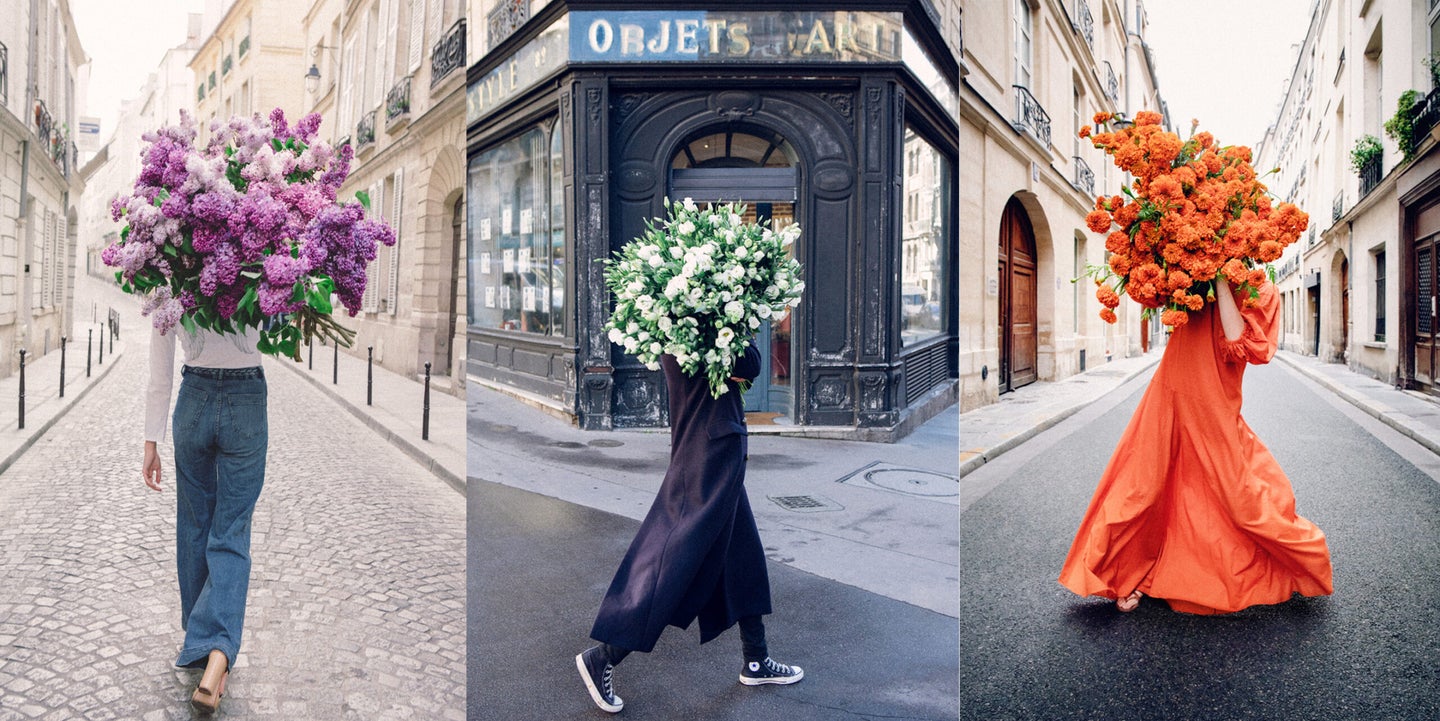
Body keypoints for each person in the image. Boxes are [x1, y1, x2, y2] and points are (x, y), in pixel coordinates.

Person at [1059, 276, 1333, 614]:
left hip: (1214, 397)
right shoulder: (1192, 278)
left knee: (1235, 493)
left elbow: (1238, 342)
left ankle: (1263, 560)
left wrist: (1220, 278)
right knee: (1145, 484)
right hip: (1171, 387)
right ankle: (1128, 572)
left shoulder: (1260, 288)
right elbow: (1154, 300)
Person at [577, 343, 803, 714]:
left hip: (708, 447)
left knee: (741, 553)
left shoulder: (678, 322)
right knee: (675, 562)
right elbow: (750, 364)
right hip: (710, 453)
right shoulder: (702, 318)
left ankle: (757, 659)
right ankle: (604, 656)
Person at [142, 322, 266, 713]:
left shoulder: (166, 275)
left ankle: (201, 645)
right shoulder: (266, 259)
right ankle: (217, 654)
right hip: (246, 396)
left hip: (193, 396)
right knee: (231, 531)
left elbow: (159, 369)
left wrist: (151, 441)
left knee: (195, 525)